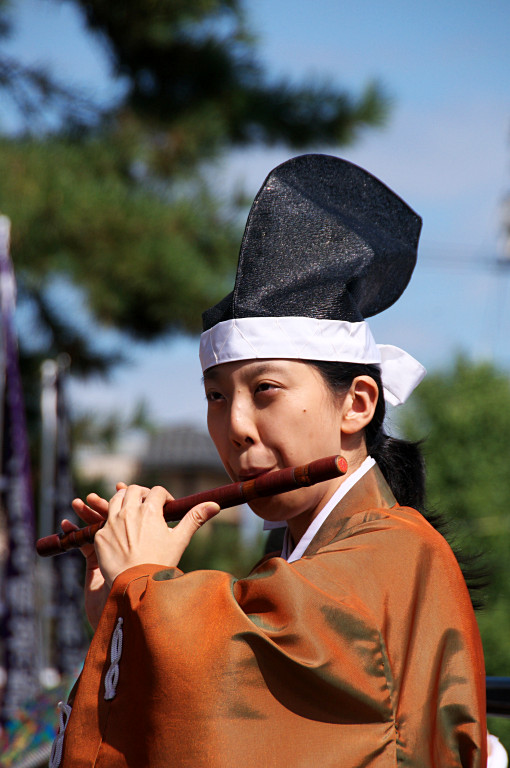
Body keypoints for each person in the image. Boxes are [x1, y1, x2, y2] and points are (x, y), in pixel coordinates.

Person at [52, 155, 486, 767]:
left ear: (356, 403)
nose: (234, 426)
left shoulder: (394, 554)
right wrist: (120, 614)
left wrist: (146, 587)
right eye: (216, 396)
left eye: (266, 391)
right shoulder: (308, 564)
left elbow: (234, 723)